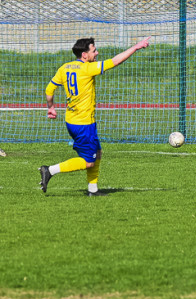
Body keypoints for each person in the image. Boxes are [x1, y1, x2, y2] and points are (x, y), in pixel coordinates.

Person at [39, 36, 150, 196]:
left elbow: (49, 89)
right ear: (84, 55)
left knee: (97, 153)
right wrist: (135, 47)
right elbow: (115, 61)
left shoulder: (64, 68)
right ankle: (49, 170)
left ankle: (93, 190)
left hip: (72, 121)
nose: (97, 53)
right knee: (89, 162)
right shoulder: (87, 69)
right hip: (83, 124)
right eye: (94, 50)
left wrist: (51, 107)